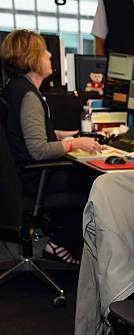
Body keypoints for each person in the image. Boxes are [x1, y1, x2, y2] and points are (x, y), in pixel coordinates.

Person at [0, 30, 102, 264]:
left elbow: (22, 132)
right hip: (34, 177)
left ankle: (58, 239)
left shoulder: (13, 89)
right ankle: (60, 242)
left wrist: (62, 135)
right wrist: (75, 143)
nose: (49, 55)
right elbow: (37, 149)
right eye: (44, 51)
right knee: (93, 184)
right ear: (32, 58)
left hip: (17, 176)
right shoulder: (29, 97)